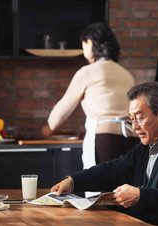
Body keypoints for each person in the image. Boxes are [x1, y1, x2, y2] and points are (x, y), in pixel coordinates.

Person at [51, 81, 158, 226]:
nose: (134, 126)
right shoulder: (146, 147)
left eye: (139, 118)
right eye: (131, 119)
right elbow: (113, 171)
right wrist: (74, 181)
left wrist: (141, 195)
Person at [41, 22, 139, 170]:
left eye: (83, 45)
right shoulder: (127, 74)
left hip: (105, 138)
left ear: (90, 43)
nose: (83, 50)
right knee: (123, 189)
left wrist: (49, 127)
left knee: (100, 189)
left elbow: (65, 106)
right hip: (132, 137)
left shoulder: (88, 71)